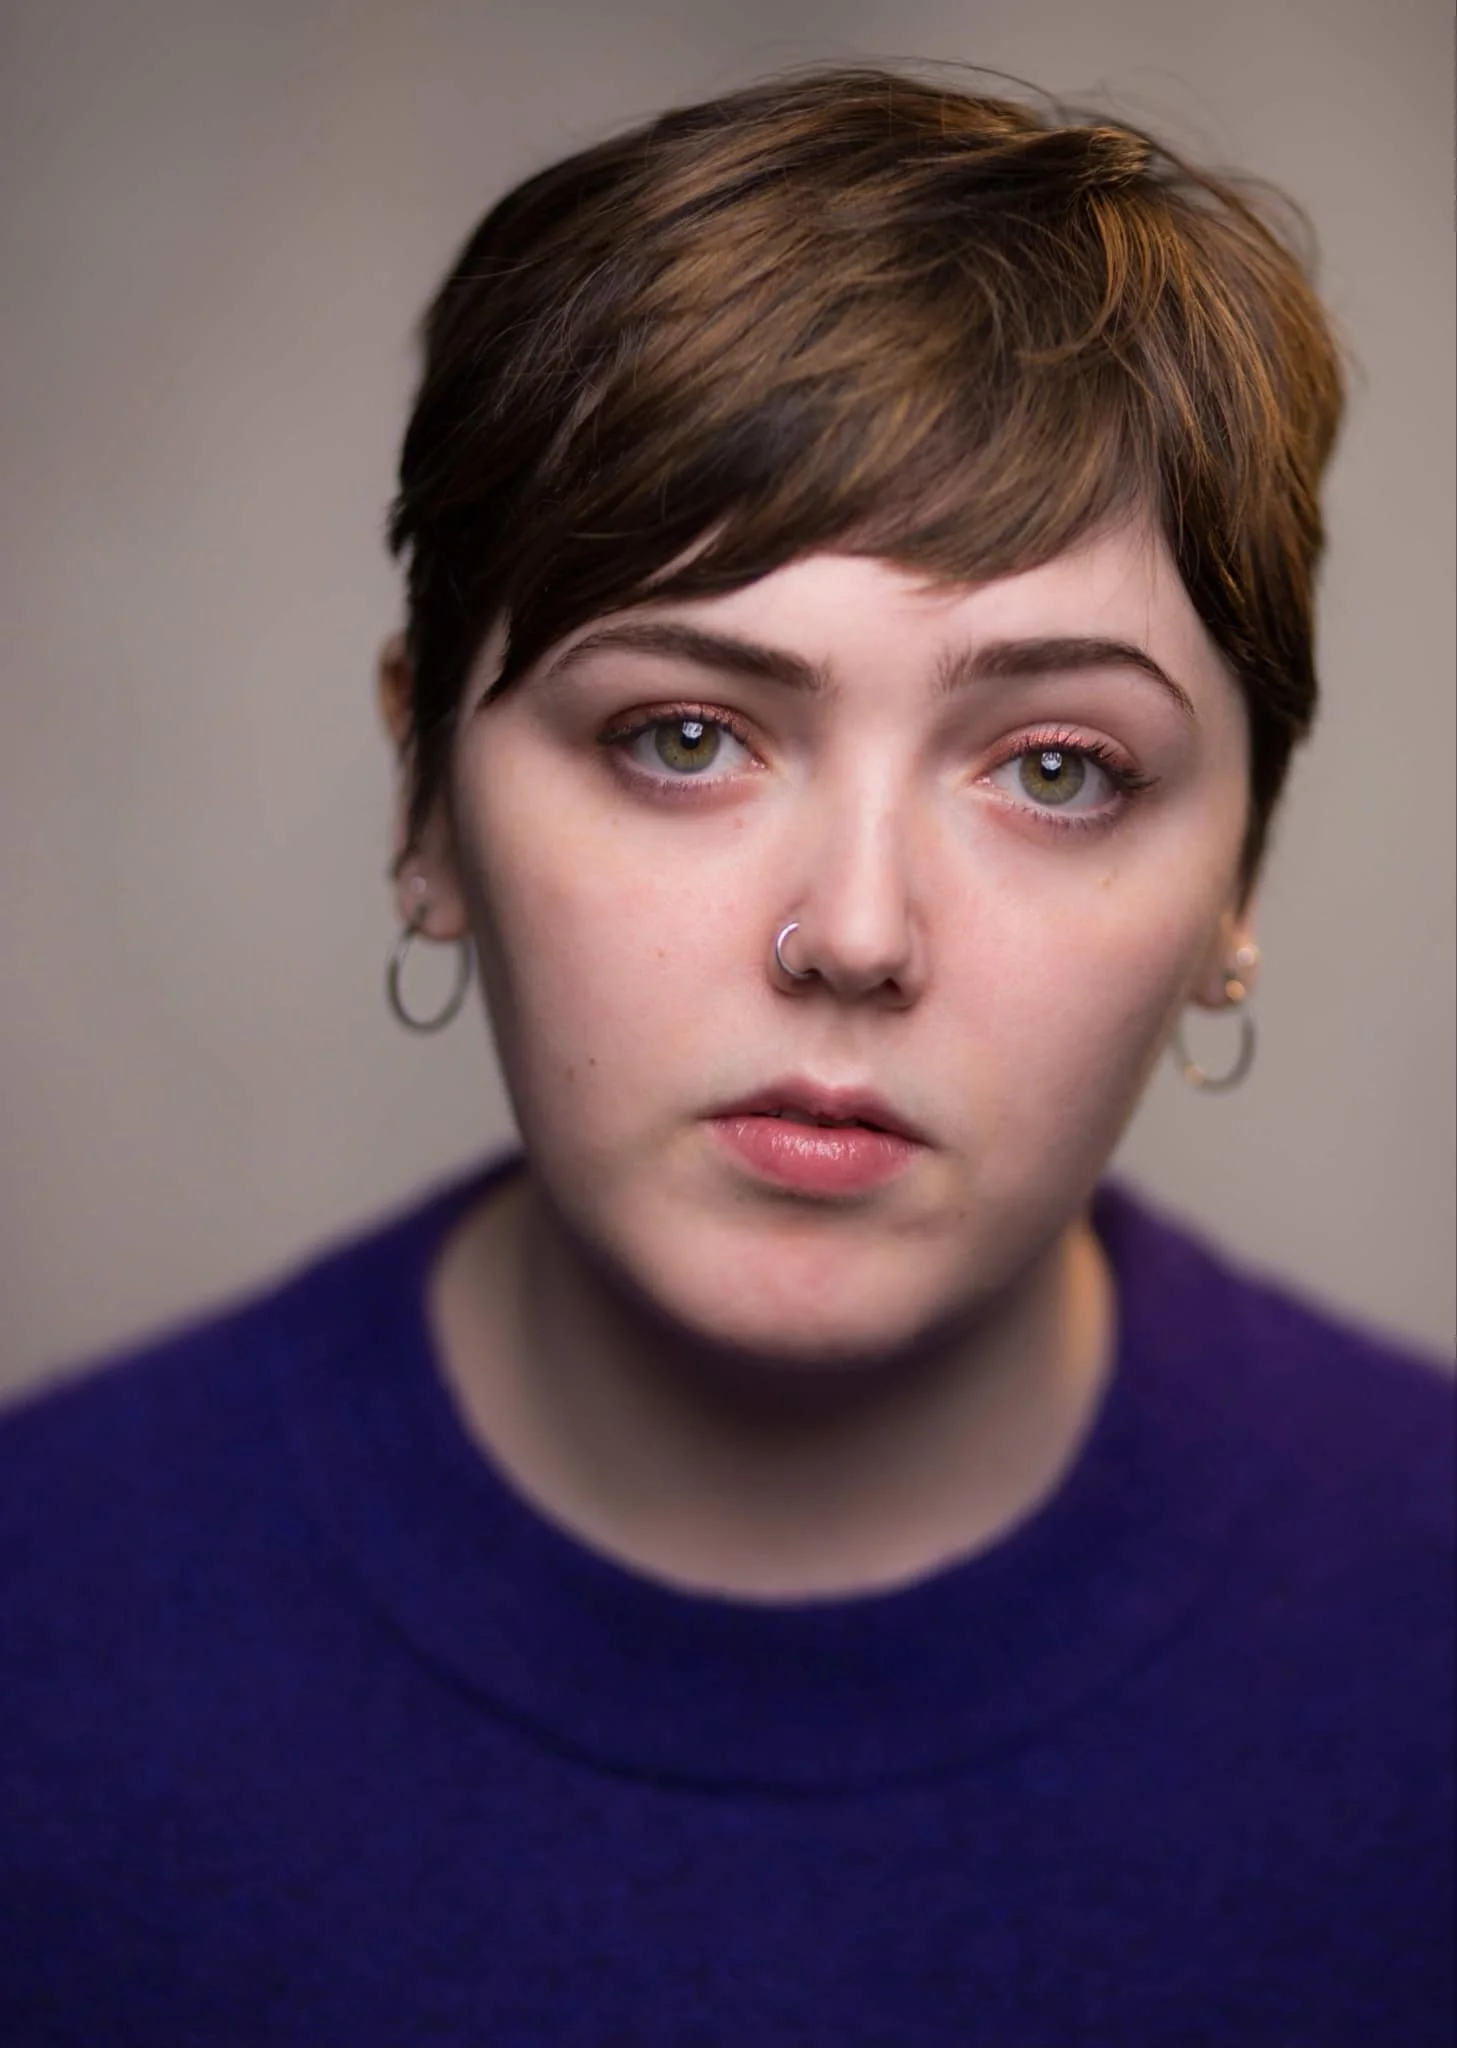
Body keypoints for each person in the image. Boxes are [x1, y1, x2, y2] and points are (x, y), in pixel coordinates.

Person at [1, 65, 1451, 2047]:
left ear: (1233, 887)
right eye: (682, 733)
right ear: (424, 798)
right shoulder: (41, 1627)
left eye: (1053, 767)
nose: (852, 933)